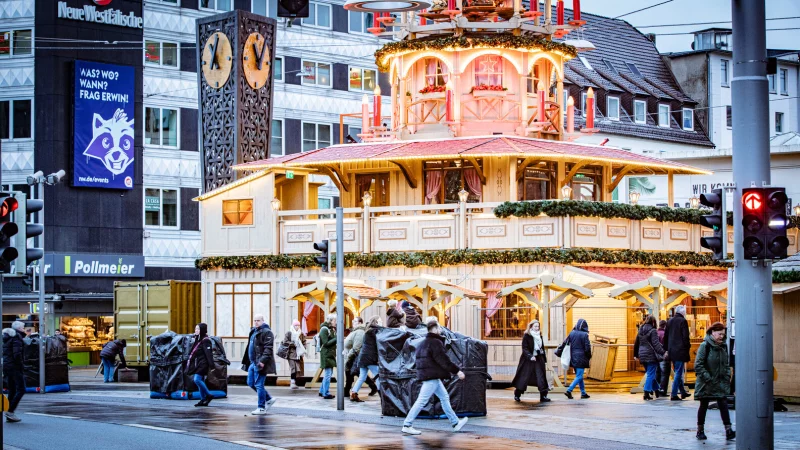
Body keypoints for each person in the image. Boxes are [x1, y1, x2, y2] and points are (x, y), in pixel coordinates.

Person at [401, 321, 469, 435]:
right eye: (439, 328)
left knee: (444, 397)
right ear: (435, 329)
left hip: (430, 375)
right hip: (432, 376)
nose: (441, 330)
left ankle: (455, 422)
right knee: (422, 401)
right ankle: (407, 424)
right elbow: (444, 360)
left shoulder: (423, 343)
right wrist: (457, 371)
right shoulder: (435, 342)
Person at [694, 322, 735, 441]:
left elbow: (725, 364)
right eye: (719, 334)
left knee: (723, 404)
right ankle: (700, 430)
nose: (722, 336)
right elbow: (698, 365)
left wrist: (727, 376)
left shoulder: (723, 346)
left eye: (723, 334)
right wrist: (708, 378)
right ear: (712, 332)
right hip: (706, 383)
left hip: (720, 382)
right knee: (704, 405)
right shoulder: (705, 346)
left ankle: (728, 430)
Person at [242, 314, 277, 415]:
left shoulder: (267, 332)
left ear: (262, 321)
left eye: (258, 320)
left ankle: (261, 407)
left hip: (260, 363)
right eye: (255, 320)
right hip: (253, 362)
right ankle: (268, 399)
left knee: (258, 384)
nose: (256, 322)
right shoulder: (254, 331)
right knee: (250, 383)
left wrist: (262, 361)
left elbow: (268, 348)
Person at [511, 320, 550, 403]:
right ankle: (517, 394)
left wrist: (544, 359)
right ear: (531, 326)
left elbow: (542, 347)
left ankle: (543, 396)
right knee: (523, 377)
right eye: (535, 326)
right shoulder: (527, 335)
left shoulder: (539, 336)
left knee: (541, 377)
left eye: (538, 326)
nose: (537, 328)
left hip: (538, 359)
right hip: (528, 360)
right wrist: (530, 356)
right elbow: (524, 348)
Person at [343, 317, 377, 402]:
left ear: (360, 323)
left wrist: (349, 357)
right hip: (355, 356)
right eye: (353, 321)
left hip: (355, 357)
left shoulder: (359, 332)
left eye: (355, 321)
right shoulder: (356, 331)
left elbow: (357, 347)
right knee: (359, 375)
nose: (353, 322)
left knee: (357, 374)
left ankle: (349, 392)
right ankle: (350, 392)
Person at [557, 318, 592, 400]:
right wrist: (589, 356)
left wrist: (559, 351)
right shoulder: (585, 335)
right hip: (581, 357)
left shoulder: (572, 333)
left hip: (573, 357)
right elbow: (587, 348)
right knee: (579, 376)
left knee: (579, 376)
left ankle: (583, 393)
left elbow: (565, 343)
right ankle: (569, 390)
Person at [633, 315, 666, 400]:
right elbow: (656, 344)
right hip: (651, 355)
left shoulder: (640, 330)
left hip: (642, 355)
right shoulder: (653, 330)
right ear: (653, 322)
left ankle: (657, 390)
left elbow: (636, 343)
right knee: (651, 374)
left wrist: (635, 354)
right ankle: (646, 393)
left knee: (650, 374)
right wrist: (663, 352)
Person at [664, 304, 691, 401]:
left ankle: (682, 392)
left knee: (677, 371)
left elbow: (666, 337)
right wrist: (687, 347)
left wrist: (666, 349)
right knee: (678, 373)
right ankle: (674, 394)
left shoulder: (669, 321)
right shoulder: (683, 321)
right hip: (680, 350)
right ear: (683, 313)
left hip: (672, 350)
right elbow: (685, 337)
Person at [352, 315, 382, 399]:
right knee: (378, 376)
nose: (382, 322)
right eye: (380, 321)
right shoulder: (374, 331)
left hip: (363, 357)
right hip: (370, 358)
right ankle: (382, 394)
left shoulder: (368, 330)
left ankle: (354, 393)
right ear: (376, 322)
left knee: (362, 376)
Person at [3, 322, 28, 422]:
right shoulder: (17, 337)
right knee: (21, 389)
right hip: (15, 367)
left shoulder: (8, 337)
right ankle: (10, 411)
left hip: (7, 366)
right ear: (19, 328)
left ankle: (9, 412)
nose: (24, 329)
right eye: (23, 327)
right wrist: (21, 366)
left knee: (12, 389)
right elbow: (17, 354)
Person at [186, 323, 215, 407]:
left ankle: (208, 395)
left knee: (197, 379)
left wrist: (212, 366)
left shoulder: (206, 340)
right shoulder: (198, 339)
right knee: (200, 380)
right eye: (195, 329)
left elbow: (209, 354)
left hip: (204, 364)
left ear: (202, 330)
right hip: (198, 363)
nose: (196, 330)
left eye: (198, 329)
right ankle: (203, 399)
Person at [281, 320, 306, 389]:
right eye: (296, 325)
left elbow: (304, 342)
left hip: (298, 354)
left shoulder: (301, 333)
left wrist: (303, 349)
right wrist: (293, 344)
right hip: (291, 354)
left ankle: (294, 382)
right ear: (293, 326)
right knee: (293, 368)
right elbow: (285, 342)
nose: (297, 327)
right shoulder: (289, 333)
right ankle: (292, 383)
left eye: (298, 325)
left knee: (298, 368)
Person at [318, 313, 337, 399]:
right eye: (334, 320)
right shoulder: (324, 329)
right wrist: (336, 338)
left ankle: (322, 391)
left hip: (329, 354)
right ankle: (325, 393)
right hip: (326, 354)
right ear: (330, 321)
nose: (335, 322)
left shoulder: (331, 329)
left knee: (328, 373)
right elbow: (325, 343)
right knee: (328, 374)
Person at [657, 320, 669, 396]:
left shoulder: (656, 333)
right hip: (664, 355)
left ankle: (656, 389)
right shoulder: (665, 334)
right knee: (664, 374)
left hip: (656, 356)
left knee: (657, 373)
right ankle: (662, 390)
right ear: (665, 325)